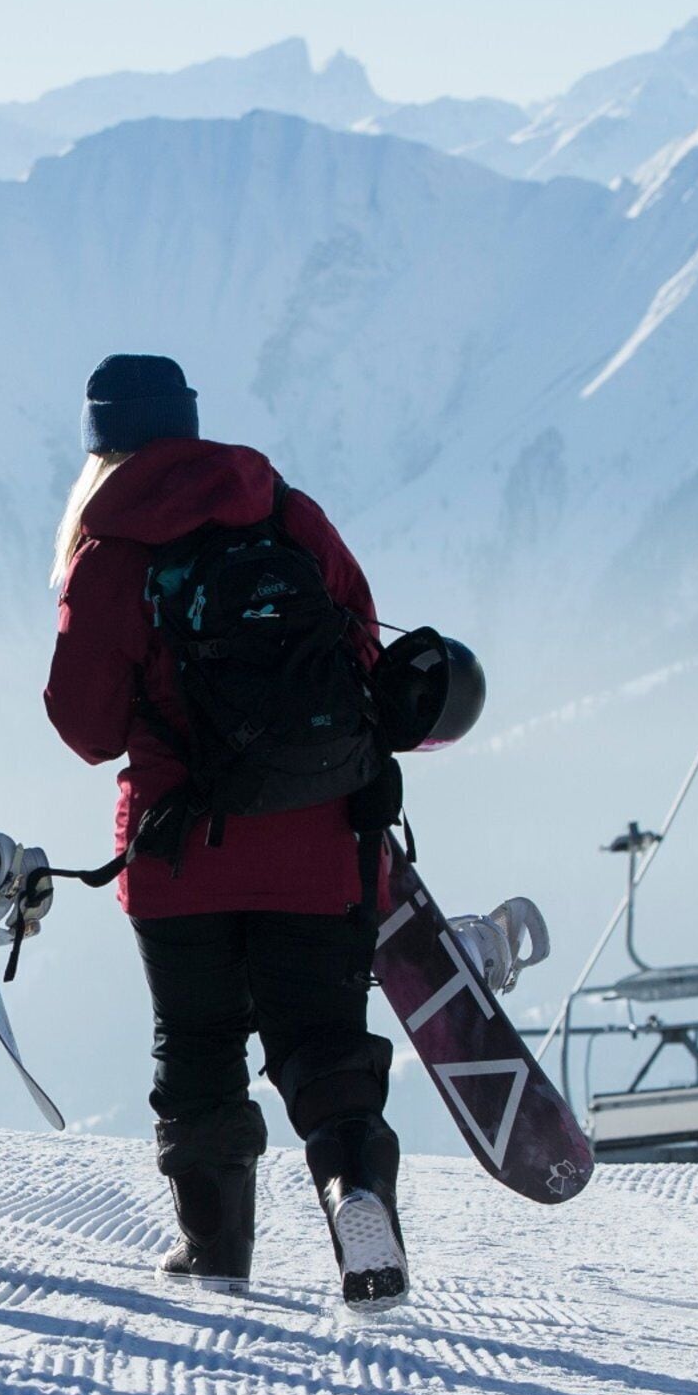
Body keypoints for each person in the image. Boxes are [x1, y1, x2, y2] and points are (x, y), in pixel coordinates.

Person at [41, 354, 411, 1304]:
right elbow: (363, 649)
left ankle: (216, 1251)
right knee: (323, 1042)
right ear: (192, 424)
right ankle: (354, 1189)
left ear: (101, 446)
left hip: (183, 854)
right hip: (322, 836)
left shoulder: (108, 548)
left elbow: (85, 728)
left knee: (199, 1049)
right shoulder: (287, 513)